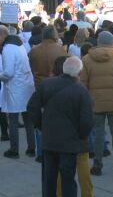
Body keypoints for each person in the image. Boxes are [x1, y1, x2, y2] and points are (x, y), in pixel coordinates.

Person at [27, 56, 94, 197]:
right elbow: (87, 120)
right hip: (69, 143)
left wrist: (41, 125)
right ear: (79, 73)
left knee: (49, 179)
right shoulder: (81, 91)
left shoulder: (46, 84)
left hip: (49, 140)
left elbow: (32, 107)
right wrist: (80, 135)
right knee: (68, 180)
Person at [81, 31, 113, 176]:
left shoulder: (86, 59)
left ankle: (97, 165)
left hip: (95, 103)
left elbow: (82, 83)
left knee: (98, 133)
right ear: (112, 42)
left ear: (98, 41)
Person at [28, 25, 67, 162]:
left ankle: (41, 152)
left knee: (40, 119)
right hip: (58, 86)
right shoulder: (61, 50)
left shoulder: (34, 51)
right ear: (54, 35)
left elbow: (31, 67)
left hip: (40, 86)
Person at [0, 25, 36, 159]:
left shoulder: (8, 49)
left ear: (2, 36)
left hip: (16, 87)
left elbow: (8, 73)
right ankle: (32, 148)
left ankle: (14, 150)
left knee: (13, 120)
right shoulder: (19, 45)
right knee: (28, 119)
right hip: (26, 85)